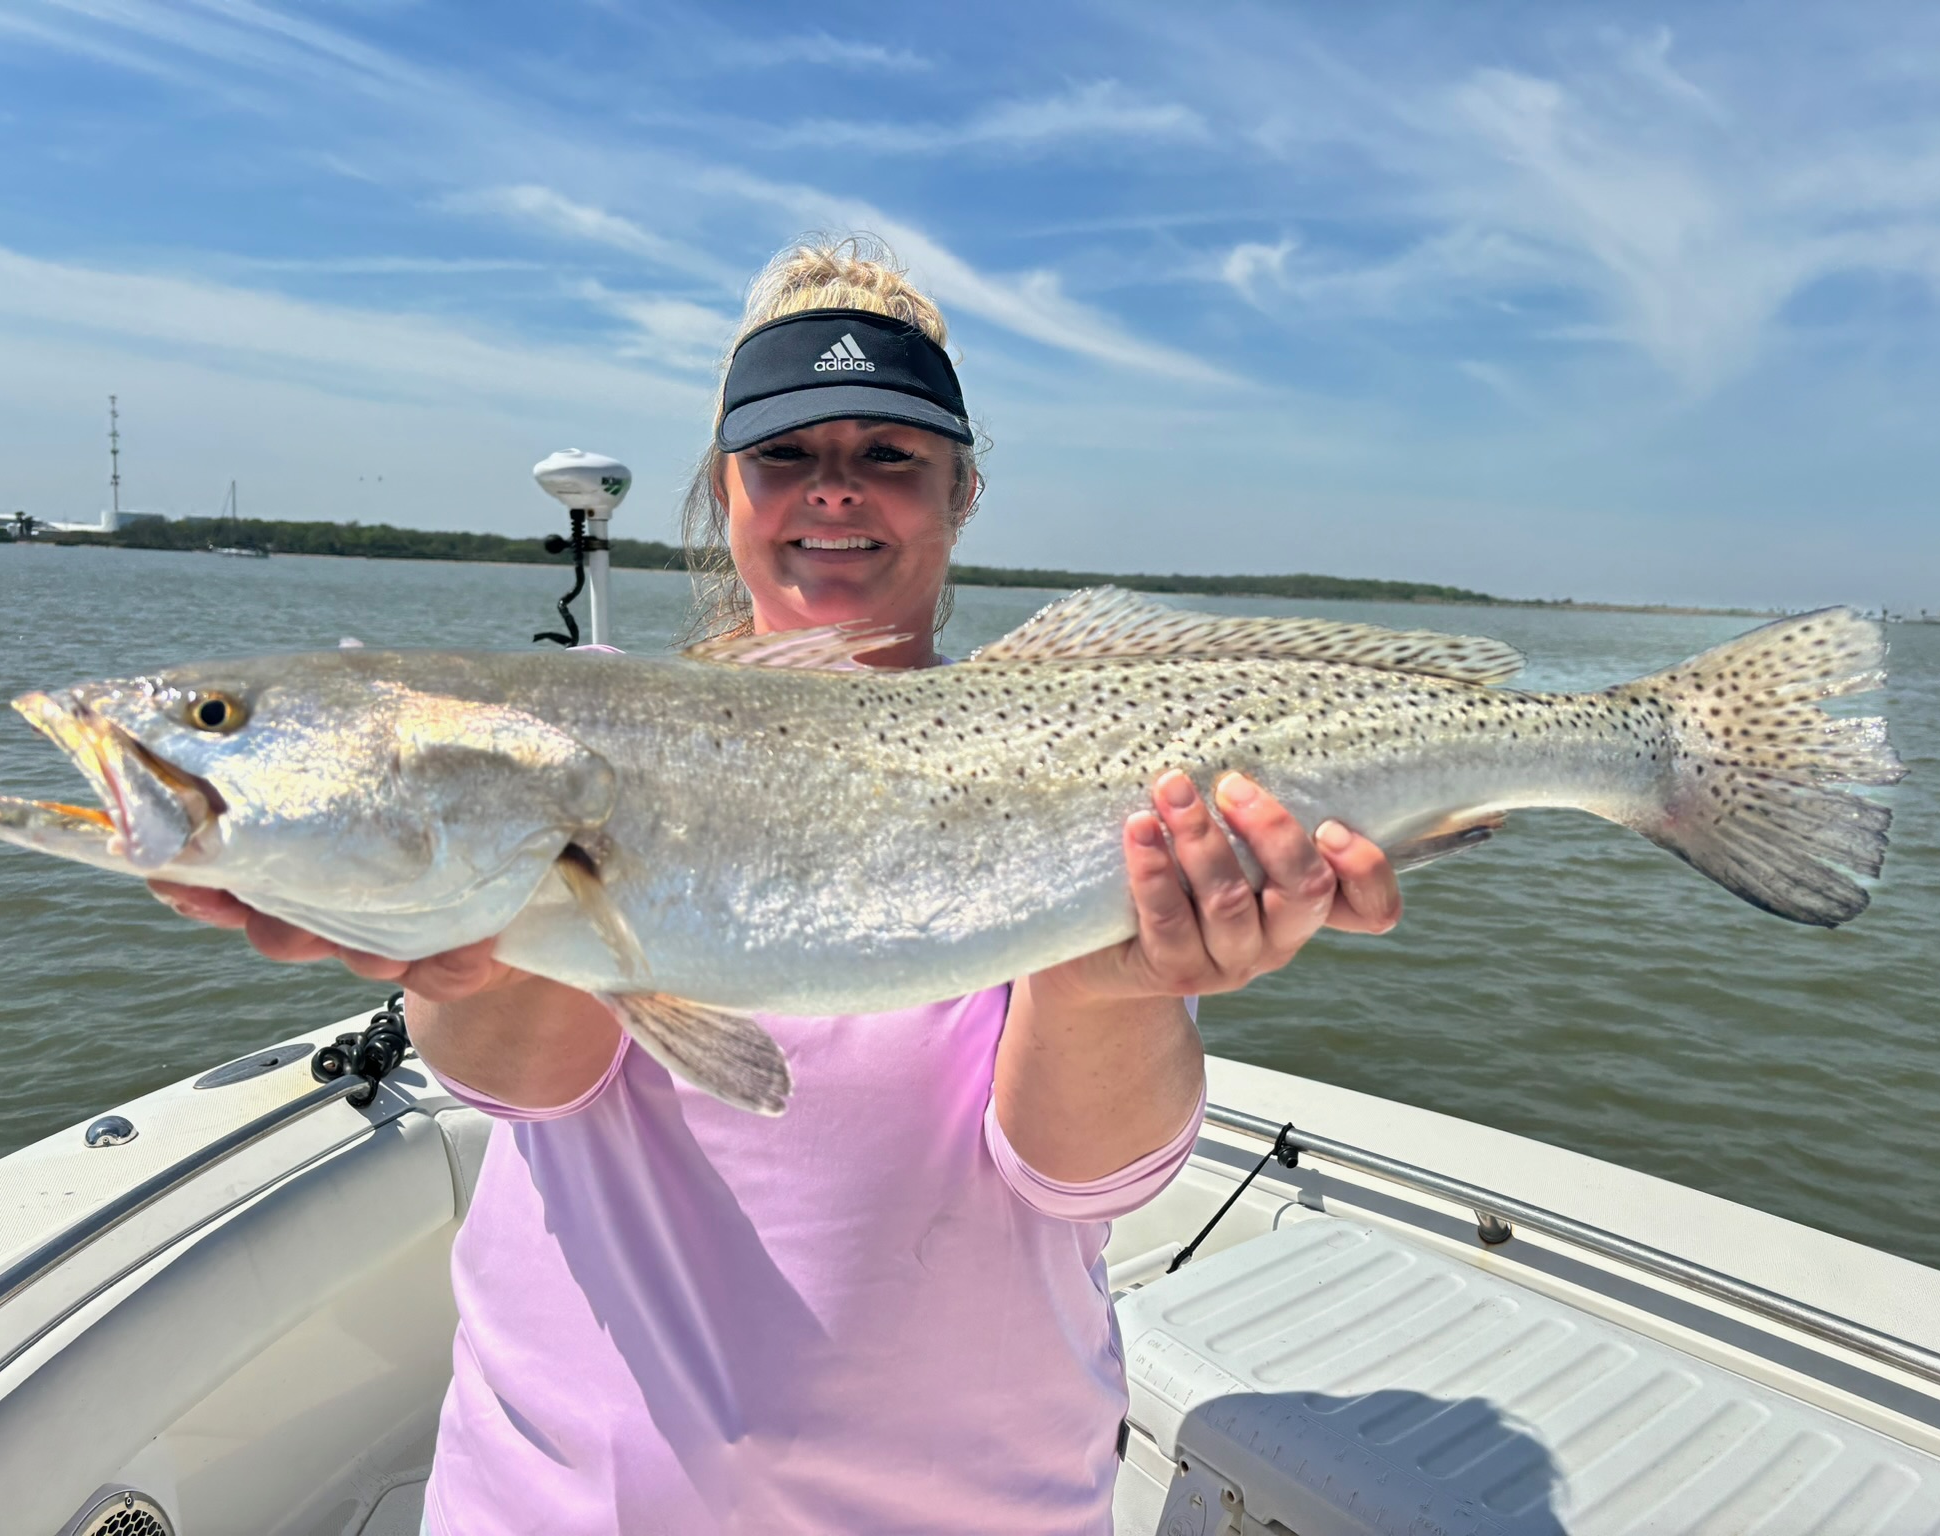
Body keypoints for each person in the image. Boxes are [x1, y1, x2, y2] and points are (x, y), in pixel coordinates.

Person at [152, 237, 1402, 1535]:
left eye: (889, 458)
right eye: (787, 455)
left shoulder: (1074, 751)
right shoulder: (570, 734)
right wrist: (447, 933)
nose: (835, 494)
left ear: (964, 491)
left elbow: (1075, 1178)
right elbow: (527, 1077)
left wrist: (1118, 982)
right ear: (723, 486)